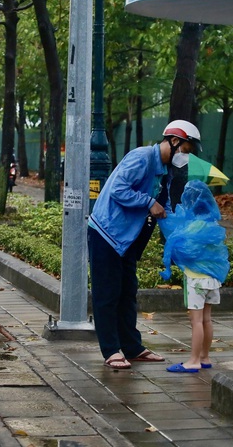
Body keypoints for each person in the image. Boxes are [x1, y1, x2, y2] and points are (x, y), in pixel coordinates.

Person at [88, 119, 202, 369]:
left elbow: (164, 206)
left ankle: (132, 347)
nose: (185, 156)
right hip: (107, 232)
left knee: (128, 293)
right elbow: (118, 188)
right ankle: (111, 350)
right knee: (107, 294)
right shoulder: (141, 158)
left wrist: (179, 235)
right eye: (185, 149)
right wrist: (148, 202)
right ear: (174, 141)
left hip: (129, 239)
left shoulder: (166, 170)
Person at [158, 180, 230, 373]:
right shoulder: (213, 225)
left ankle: (193, 360)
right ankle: (205, 357)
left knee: (196, 321)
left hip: (196, 279)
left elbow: (182, 249)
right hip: (212, 280)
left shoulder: (192, 227)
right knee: (207, 319)